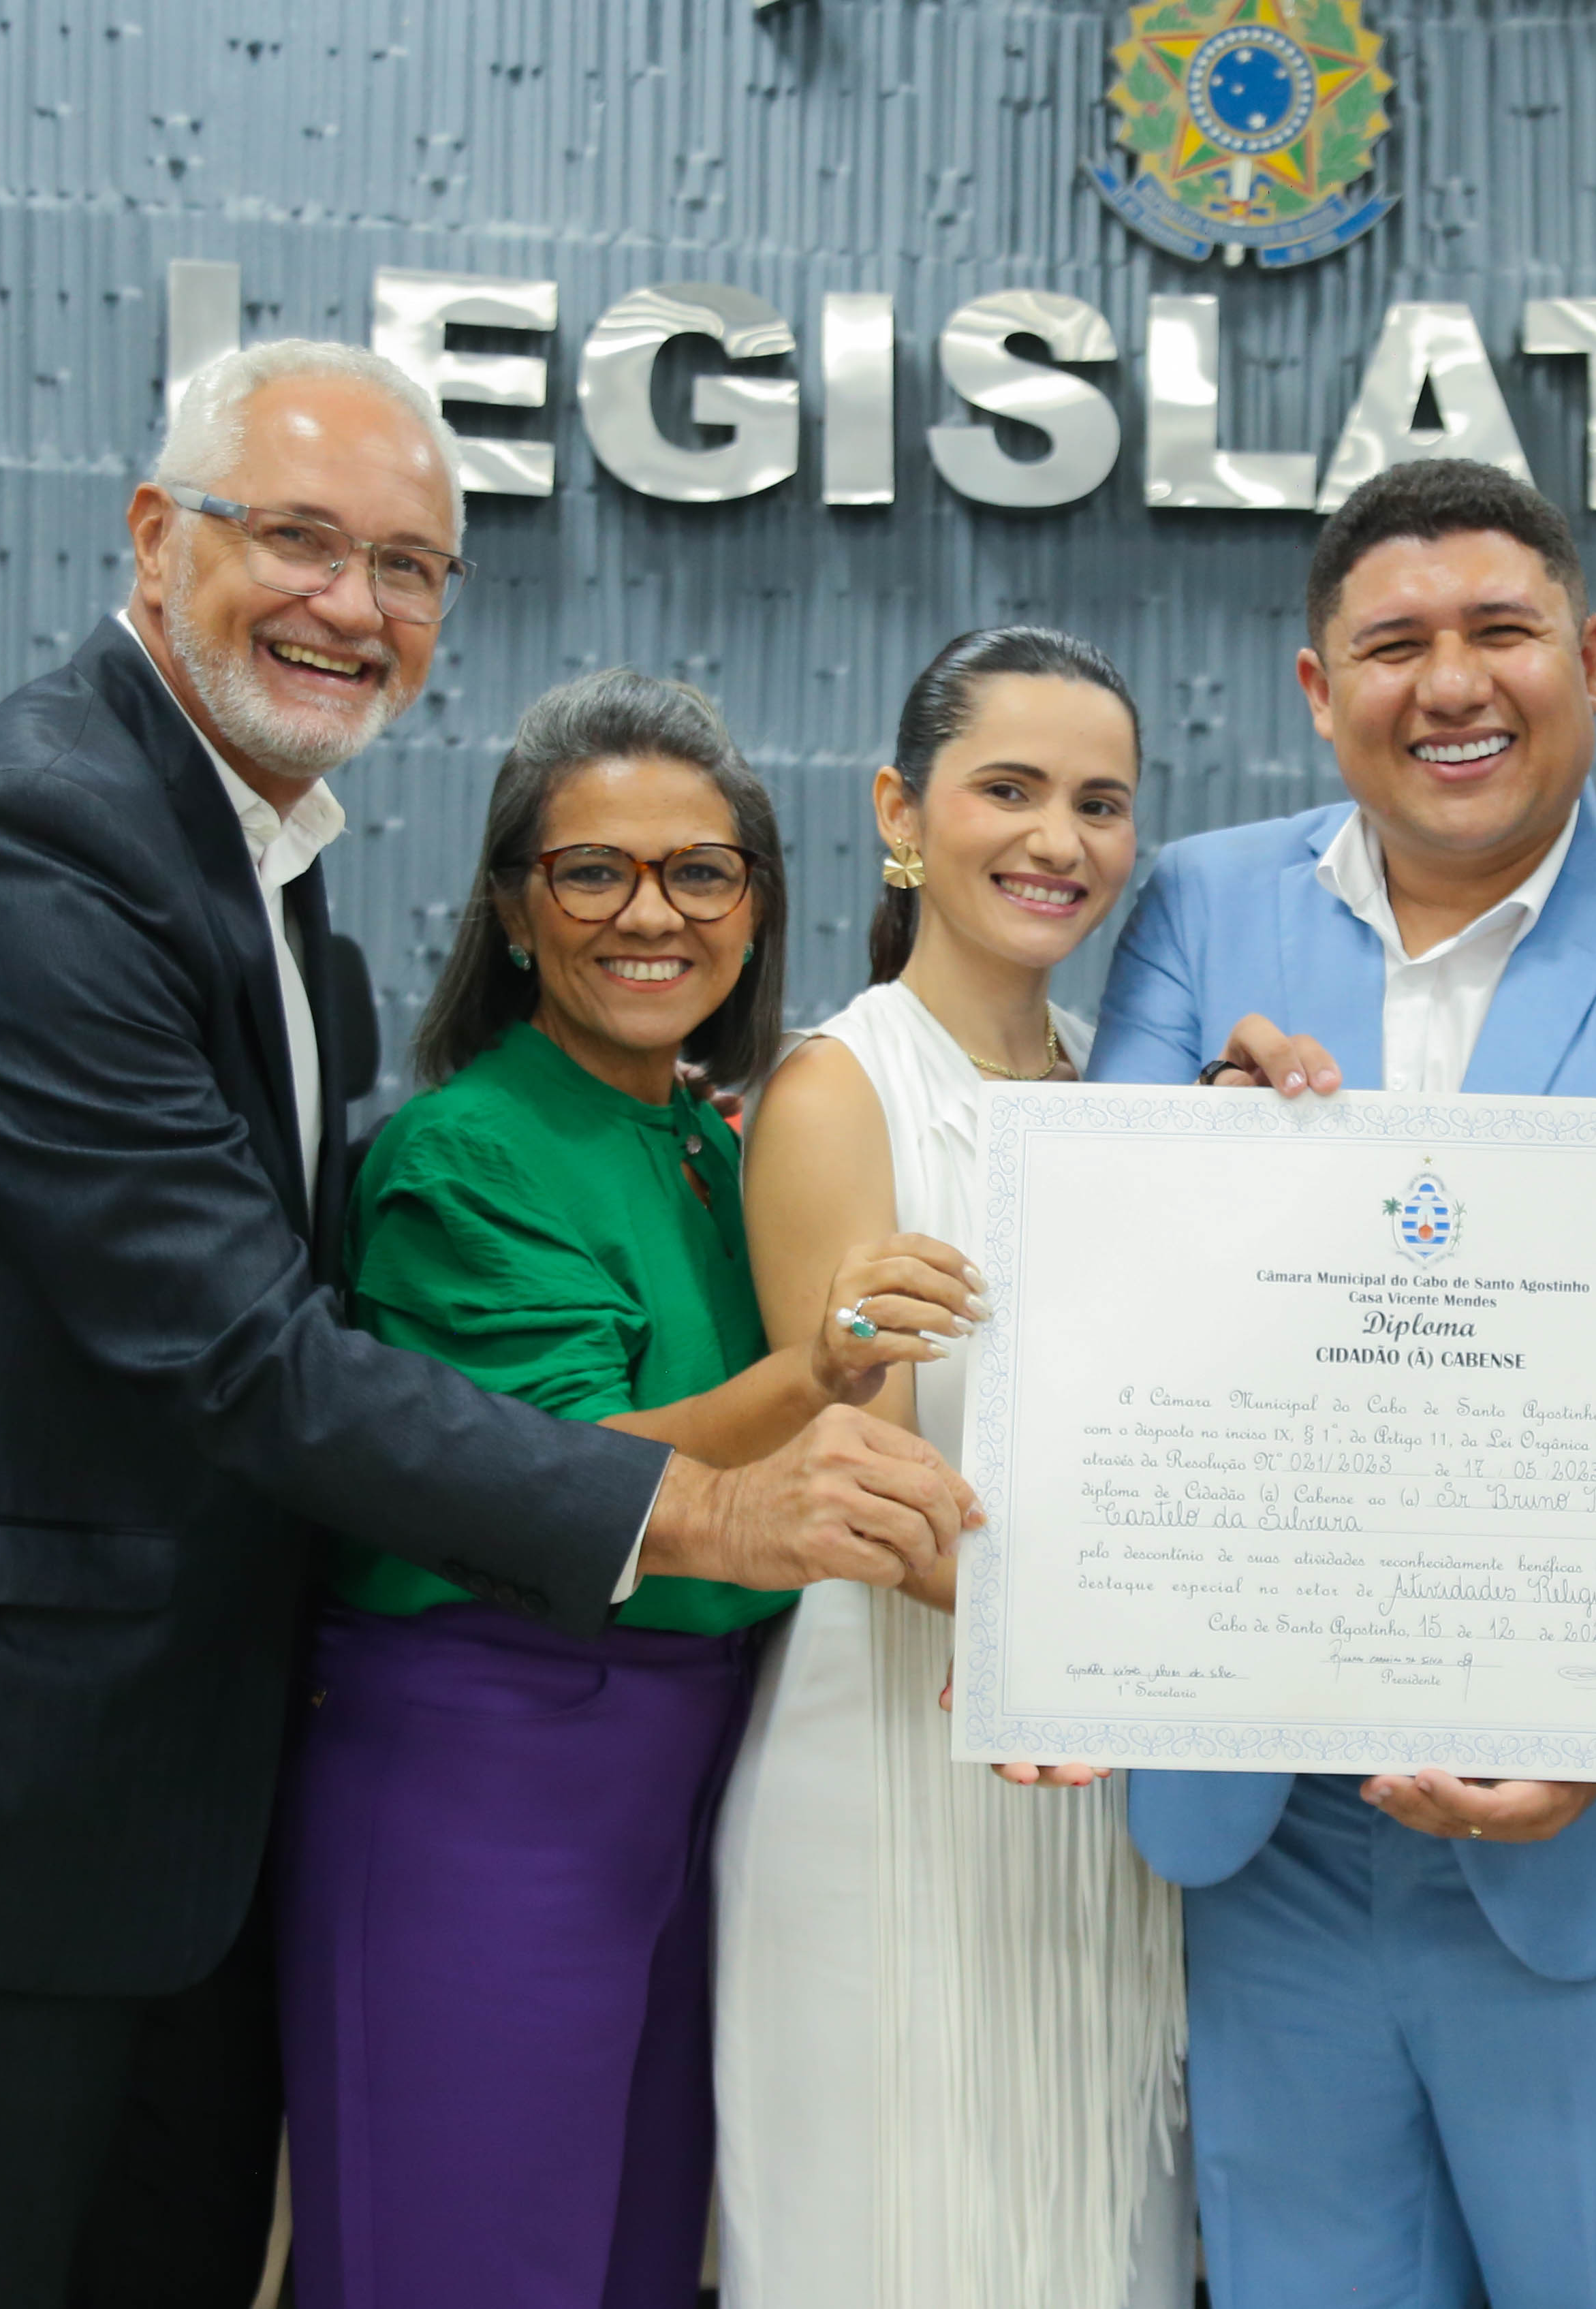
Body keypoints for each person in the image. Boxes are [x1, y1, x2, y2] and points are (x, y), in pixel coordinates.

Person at [0, 342, 977, 2309]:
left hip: (190, 1787)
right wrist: (706, 1512)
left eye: (407, 565)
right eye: (296, 538)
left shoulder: (275, 885)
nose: (351, 603)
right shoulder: (34, 842)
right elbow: (240, 1353)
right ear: (154, 538)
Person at [1087, 460, 1596, 2309]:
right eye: (1396, 643)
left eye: (1502, 632)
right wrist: (1201, 1157)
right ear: (1313, 687)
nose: (1452, 682)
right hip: (1271, 1827)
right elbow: (1110, 1289)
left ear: (1591, 656)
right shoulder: (1200, 911)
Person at [275, 669, 982, 2308]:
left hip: (686, 1774)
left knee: (629, 2266)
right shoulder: (466, 1156)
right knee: (463, 2265)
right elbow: (558, 1482)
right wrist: (816, 1370)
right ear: (516, 911)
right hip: (489, 1772)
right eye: (593, 872)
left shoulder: (709, 1134)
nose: (649, 914)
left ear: (754, 905)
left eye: (701, 872)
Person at [712, 628, 1195, 2309]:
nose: (1061, 840)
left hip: (1095, 1784)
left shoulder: (1130, 1102)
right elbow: (867, 1486)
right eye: (1011, 789)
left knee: (1091, 2240)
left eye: (1101, 803)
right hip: (904, 1770)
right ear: (900, 813)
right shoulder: (842, 1087)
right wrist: (1124, 1655)